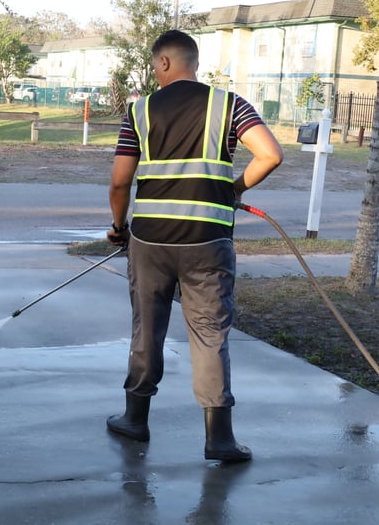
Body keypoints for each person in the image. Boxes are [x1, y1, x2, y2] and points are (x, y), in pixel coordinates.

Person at [105, 30, 283, 462]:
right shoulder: (230, 105)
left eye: (153, 65)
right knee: (209, 333)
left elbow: (120, 180)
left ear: (164, 63)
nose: (154, 72)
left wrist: (119, 226)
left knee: (147, 327)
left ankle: (135, 420)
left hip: (150, 240)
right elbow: (270, 154)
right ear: (194, 62)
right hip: (209, 239)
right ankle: (219, 438)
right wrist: (233, 190)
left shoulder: (141, 111)